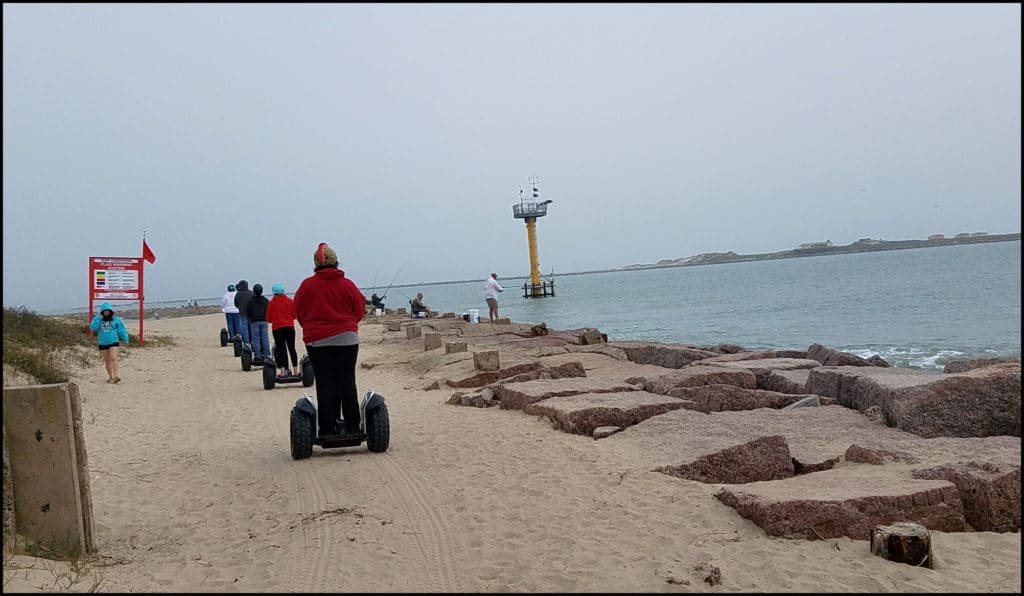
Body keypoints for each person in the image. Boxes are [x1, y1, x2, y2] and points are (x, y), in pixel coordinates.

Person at [294, 242, 366, 437]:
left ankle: (327, 427)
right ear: (336, 263)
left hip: (317, 340)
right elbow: (359, 310)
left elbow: (298, 312)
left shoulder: (306, 286)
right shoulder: (347, 284)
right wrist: (348, 325)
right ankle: (352, 426)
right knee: (347, 379)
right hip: (347, 338)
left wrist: (311, 328)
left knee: (325, 381)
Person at [89, 302, 130, 384]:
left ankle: (116, 376)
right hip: (103, 343)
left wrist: (125, 339)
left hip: (113, 342)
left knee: (114, 357)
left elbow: (121, 330)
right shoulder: (98, 319)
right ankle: (110, 377)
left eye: (108, 310)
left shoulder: (115, 319)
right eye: (105, 311)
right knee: (107, 360)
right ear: (102, 311)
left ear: (110, 311)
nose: (106, 312)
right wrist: (98, 318)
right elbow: (93, 327)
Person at [267, 282, 299, 378]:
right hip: (289, 327)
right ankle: (296, 370)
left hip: (277, 328)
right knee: (292, 348)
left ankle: (283, 371)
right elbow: (294, 315)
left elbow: (269, 319)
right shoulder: (290, 301)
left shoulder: (271, 303)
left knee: (281, 349)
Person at [246, 283, 271, 362]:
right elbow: (268, 310)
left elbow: (248, 312)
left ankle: (257, 355)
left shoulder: (250, 302)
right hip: (264, 320)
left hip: (254, 321)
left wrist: (250, 317)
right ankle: (267, 354)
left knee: (256, 339)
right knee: (265, 338)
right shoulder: (266, 300)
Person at [234, 280, 254, 345]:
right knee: (251, 327)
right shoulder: (251, 293)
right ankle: (252, 341)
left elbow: (236, 303)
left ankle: (246, 342)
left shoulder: (238, 294)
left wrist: (240, 307)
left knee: (244, 328)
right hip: (251, 313)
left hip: (242, 313)